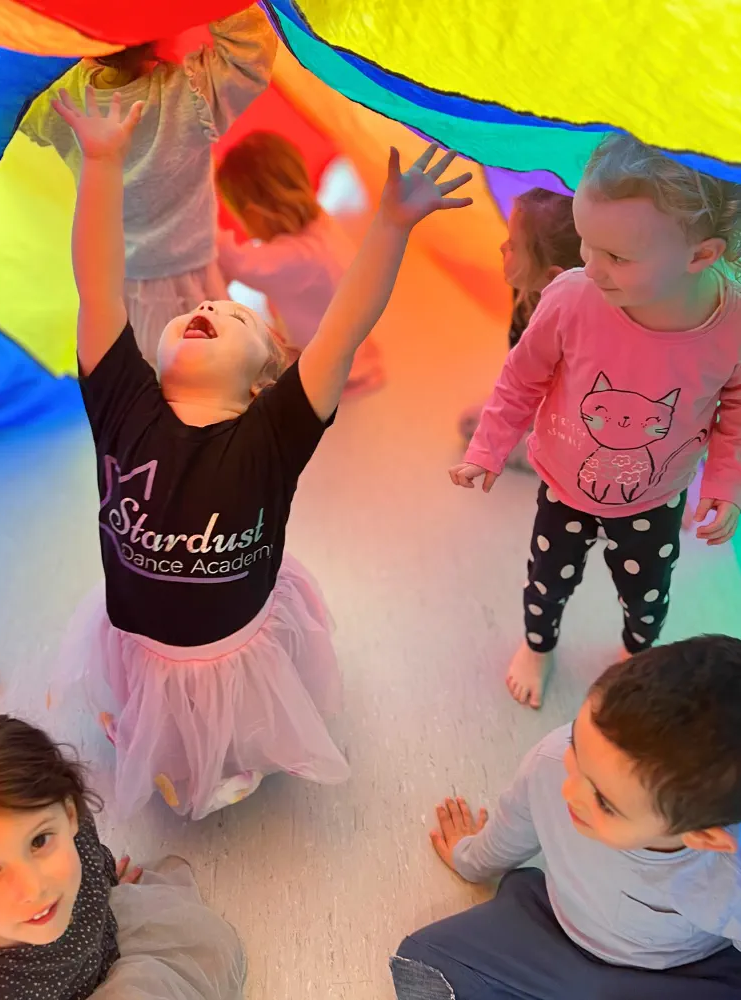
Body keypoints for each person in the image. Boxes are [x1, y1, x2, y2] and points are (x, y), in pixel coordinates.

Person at [49, 87, 472, 819]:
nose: (208, 306)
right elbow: (97, 285)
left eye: (234, 315)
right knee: (158, 717)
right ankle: (160, 741)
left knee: (230, 727)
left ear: (262, 381)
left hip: (233, 644)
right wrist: (104, 163)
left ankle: (230, 759)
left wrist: (390, 226)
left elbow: (342, 326)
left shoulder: (275, 433)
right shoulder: (120, 400)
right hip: (143, 637)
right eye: (198, 309)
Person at [449, 134, 741, 709]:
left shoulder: (736, 325)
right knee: (547, 579)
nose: (591, 268)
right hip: (564, 484)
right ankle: (538, 646)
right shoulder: (571, 297)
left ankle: (636, 656)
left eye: (616, 257)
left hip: (655, 499)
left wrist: (726, 484)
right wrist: (490, 445)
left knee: (647, 596)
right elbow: (522, 377)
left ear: (701, 256)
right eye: (586, 244)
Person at [395, 635, 741, 1000]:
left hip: (674, 977)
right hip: (551, 931)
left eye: (606, 803)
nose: (569, 791)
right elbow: (513, 825)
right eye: (577, 748)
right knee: (423, 963)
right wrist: (470, 859)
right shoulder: (551, 761)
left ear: (703, 837)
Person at [0, 713, 246, 1000]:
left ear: (70, 814)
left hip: (98, 955)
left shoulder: (76, 835)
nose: (33, 888)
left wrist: (103, 881)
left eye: (39, 841)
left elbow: (88, 856)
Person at [19, 6, 277, 364]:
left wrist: (35, 31)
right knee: (217, 359)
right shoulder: (192, 95)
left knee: (159, 368)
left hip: (124, 279)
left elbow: (1, 98)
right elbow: (251, 54)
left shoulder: (60, 104)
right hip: (193, 267)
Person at [215, 131, 384, 396]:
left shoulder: (295, 258)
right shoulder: (319, 224)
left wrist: (205, 223)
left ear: (254, 215)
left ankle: (351, 381)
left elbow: (238, 262)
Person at [457, 188, 584, 465]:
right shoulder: (527, 294)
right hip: (548, 404)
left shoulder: (582, 329)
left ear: (553, 276)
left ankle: (545, 456)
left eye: (513, 246)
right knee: (477, 424)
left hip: (581, 421)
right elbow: (522, 372)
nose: (502, 247)